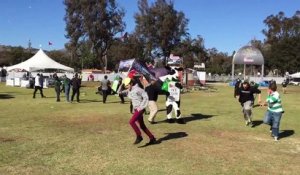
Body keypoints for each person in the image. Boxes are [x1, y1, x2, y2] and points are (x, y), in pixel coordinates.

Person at [120, 79, 156, 145]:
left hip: (140, 109)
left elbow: (146, 97)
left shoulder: (138, 89)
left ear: (131, 83)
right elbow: (118, 92)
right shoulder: (129, 90)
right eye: (125, 85)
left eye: (127, 85)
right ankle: (152, 138)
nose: (126, 86)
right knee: (142, 126)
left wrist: (141, 107)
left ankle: (139, 136)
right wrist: (121, 84)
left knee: (131, 122)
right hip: (136, 109)